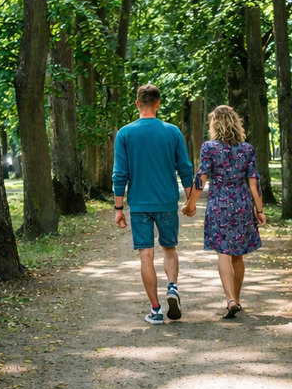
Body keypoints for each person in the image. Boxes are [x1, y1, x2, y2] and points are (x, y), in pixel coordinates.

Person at [113, 83, 195, 325]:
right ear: (158, 104)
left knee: (146, 255)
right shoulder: (173, 132)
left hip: (139, 205)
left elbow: (120, 174)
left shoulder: (125, 133)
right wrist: (190, 202)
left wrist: (119, 209)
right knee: (169, 249)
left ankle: (156, 310)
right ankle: (172, 288)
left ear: (138, 103)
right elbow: (185, 169)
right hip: (167, 202)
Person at [182, 105, 266, 319]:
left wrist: (190, 204)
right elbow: (254, 183)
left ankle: (230, 300)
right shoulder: (247, 149)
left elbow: (201, 179)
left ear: (215, 124)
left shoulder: (209, 147)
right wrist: (260, 210)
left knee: (223, 252)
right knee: (237, 255)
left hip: (219, 203)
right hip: (241, 203)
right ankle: (236, 300)